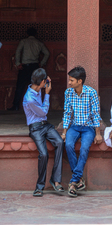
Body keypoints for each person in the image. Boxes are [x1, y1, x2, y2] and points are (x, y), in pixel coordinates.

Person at [61, 66, 103, 197]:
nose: (69, 83)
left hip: (88, 127)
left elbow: (96, 114)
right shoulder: (68, 93)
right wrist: (64, 132)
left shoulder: (91, 93)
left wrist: (97, 133)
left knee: (84, 148)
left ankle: (74, 181)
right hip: (74, 126)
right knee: (68, 145)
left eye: (71, 80)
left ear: (80, 81)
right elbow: (67, 113)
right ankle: (78, 179)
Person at [23, 68, 64, 197]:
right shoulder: (29, 98)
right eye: (44, 81)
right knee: (44, 154)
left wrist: (46, 81)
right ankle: (39, 186)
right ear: (41, 82)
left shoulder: (36, 88)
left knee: (59, 142)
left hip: (45, 125)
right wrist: (47, 94)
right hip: (35, 129)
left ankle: (55, 180)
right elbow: (43, 112)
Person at [9, 27, 50, 110]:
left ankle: (16, 106)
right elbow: (47, 53)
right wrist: (41, 63)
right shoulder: (39, 43)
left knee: (20, 86)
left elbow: (18, 52)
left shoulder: (23, 41)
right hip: (35, 67)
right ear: (35, 34)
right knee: (36, 86)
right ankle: (36, 106)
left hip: (24, 67)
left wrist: (18, 63)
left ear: (27, 34)